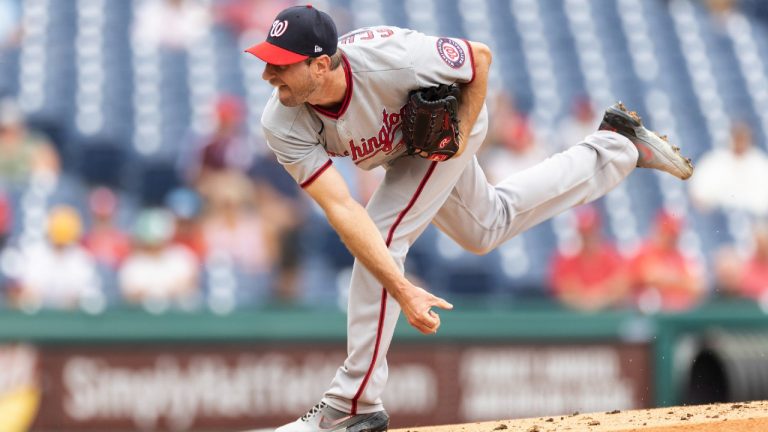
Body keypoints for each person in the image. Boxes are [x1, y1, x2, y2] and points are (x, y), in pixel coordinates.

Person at [245, 5, 694, 431]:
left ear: (320, 66)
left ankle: (351, 403)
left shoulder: (392, 61)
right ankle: (617, 146)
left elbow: (479, 57)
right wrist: (401, 289)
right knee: (486, 227)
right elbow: (342, 208)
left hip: (450, 125)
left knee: (381, 238)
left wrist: (458, 137)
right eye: (268, 62)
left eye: (280, 65)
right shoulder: (281, 121)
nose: (268, 74)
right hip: (405, 148)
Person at [548, 205, 630, 311]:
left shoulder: (612, 257)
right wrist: (601, 294)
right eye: (584, 233)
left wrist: (594, 299)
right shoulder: (566, 259)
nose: (588, 237)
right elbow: (566, 292)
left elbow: (621, 287)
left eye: (591, 231)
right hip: (576, 320)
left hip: (608, 315)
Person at [629, 211, 706, 313]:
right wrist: (682, 280)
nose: (672, 238)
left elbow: (698, 286)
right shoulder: (646, 251)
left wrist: (670, 278)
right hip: (652, 313)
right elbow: (652, 276)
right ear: (660, 231)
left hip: (679, 311)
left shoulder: (679, 256)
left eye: (674, 235)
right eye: (668, 233)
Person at [688, 121, 768, 216]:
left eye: (743, 138)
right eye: (737, 137)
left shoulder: (760, 163)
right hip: (718, 217)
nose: (740, 142)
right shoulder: (715, 160)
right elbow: (698, 193)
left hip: (753, 219)